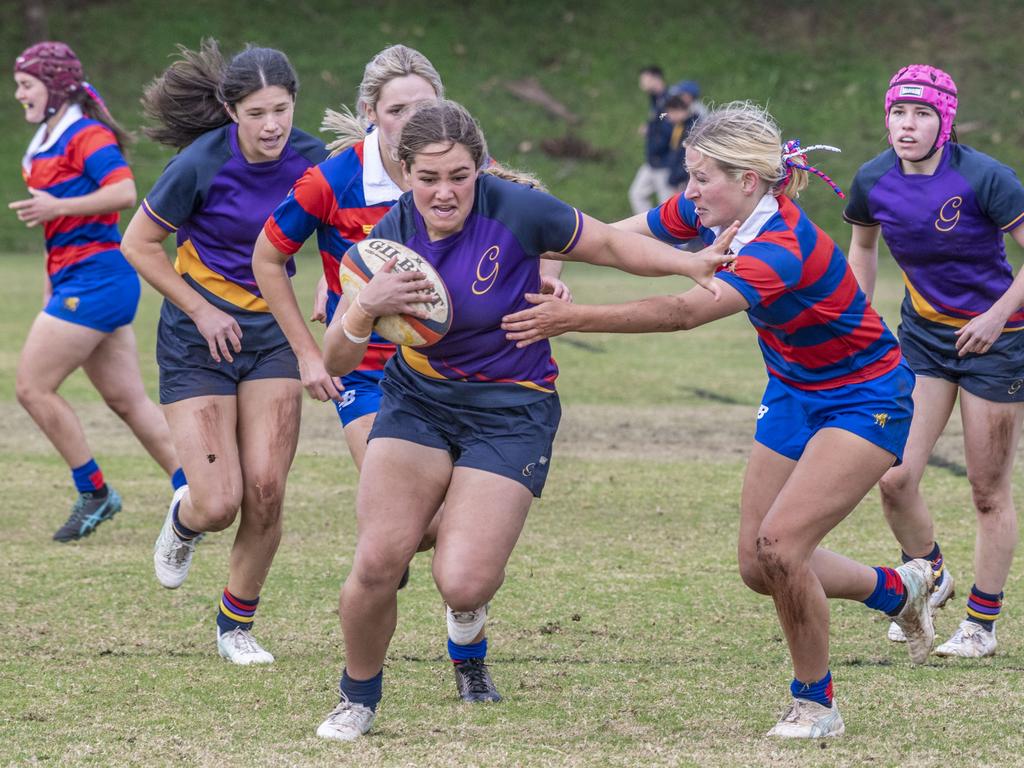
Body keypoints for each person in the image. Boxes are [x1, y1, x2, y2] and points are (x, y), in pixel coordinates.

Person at [501, 101, 938, 739]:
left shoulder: (782, 246)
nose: (690, 191)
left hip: (865, 394)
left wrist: (573, 317)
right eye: (690, 175)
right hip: (792, 391)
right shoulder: (711, 205)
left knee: (782, 547)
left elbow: (684, 312)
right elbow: (620, 234)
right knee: (757, 567)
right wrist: (555, 255)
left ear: (749, 182)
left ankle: (816, 705)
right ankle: (897, 590)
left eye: (702, 177)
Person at [311, 99, 732, 741]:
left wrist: (690, 262)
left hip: (512, 408)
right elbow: (337, 359)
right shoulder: (383, 246)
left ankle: (467, 636)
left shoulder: (517, 209)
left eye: (458, 175)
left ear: (480, 167)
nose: (444, 192)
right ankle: (357, 698)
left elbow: (613, 244)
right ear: (405, 175)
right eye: (428, 178)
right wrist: (363, 308)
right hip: (420, 402)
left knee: (463, 580)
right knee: (377, 561)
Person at [253, 44, 570, 701]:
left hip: (461, 375)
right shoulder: (332, 179)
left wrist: (552, 275)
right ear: (372, 115)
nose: (410, 121)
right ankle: (366, 682)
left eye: (424, 108)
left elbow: (536, 219)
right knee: (397, 541)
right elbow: (272, 255)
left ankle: (465, 610)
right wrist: (318, 339)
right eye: (397, 110)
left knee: (458, 559)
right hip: (370, 375)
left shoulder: (453, 169)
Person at [119, 39, 326, 665]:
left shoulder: (315, 162)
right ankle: (184, 519)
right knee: (218, 502)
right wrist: (202, 310)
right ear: (232, 110)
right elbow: (139, 243)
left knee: (266, 489)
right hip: (196, 333)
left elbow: (355, 229)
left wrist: (329, 276)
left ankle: (236, 626)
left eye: (282, 109)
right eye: (258, 112)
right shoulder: (200, 164)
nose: (272, 125)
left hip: (272, 335)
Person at [845, 65, 1024, 658]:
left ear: (944, 121)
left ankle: (981, 624)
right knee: (893, 477)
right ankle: (931, 576)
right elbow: (864, 250)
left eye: (922, 114)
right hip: (923, 339)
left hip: (998, 342)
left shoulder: (987, 178)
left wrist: (997, 315)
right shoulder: (872, 180)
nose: (907, 125)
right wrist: (853, 323)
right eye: (898, 112)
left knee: (987, 490)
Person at [11, 41, 184, 542]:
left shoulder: (85, 134)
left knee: (31, 387)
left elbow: (124, 190)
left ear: (55, 86)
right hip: (79, 278)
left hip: (98, 277)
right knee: (127, 400)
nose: (19, 94)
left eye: (27, 85)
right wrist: (50, 281)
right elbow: (58, 227)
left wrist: (56, 209)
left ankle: (94, 491)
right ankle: (193, 487)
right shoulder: (48, 136)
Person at [627, 65, 674, 215]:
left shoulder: (668, 101)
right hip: (652, 161)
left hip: (665, 162)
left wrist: (652, 128)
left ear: (655, 78)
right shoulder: (656, 100)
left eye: (645, 79)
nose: (642, 84)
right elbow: (659, 119)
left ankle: (672, 238)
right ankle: (648, 230)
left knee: (668, 207)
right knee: (637, 193)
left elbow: (667, 123)